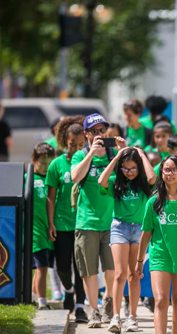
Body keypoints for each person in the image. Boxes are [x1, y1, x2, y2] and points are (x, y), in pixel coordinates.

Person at [71, 113, 126, 328]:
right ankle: (93, 310)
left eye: (102, 130)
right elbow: (75, 177)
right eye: (94, 131)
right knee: (89, 271)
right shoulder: (80, 155)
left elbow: (131, 174)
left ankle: (108, 302)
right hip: (87, 223)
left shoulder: (114, 153)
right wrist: (91, 154)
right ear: (86, 134)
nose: (99, 135)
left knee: (112, 270)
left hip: (114, 223)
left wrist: (123, 152)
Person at [135, 156, 177, 334]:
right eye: (166, 170)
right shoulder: (153, 202)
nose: (170, 173)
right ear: (161, 173)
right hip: (159, 257)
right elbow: (146, 233)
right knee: (161, 300)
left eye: (174, 170)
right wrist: (139, 262)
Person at [99, 147, 156, 333]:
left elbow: (152, 178)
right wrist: (116, 157)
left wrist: (141, 154)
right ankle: (116, 317)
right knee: (119, 273)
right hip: (119, 227)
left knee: (134, 274)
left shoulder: (142, 184)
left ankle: (132, 317)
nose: (129, 172)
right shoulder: (116, 182)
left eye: (133, 168)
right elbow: (101, 180)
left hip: (139, 228)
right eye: (126, 169)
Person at [46, 118, 88, 322]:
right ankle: (68, 290)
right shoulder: (57, 164)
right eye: (72, 145)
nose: (76, 149)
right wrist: (51, 222)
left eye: (80, 145)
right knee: (62, 266)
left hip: (83, 223)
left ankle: (80, 306)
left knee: (81, 267)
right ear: (65, 142)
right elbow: (51, 197)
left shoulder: (89, 162)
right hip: (62, 224)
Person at [30, 143, 56, 310]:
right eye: (42, 163)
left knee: (42, 267)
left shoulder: (50, 181)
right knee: (42, 268)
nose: (46, 167)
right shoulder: (28, 179)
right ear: (34, 160)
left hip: (48, 231)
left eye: (49, 163)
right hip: (35, 232)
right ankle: (42, 302)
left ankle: (32, 297)